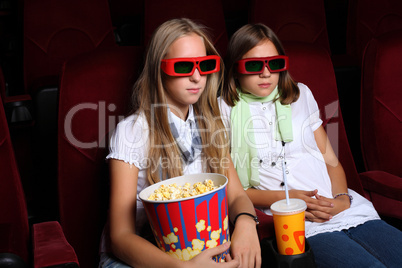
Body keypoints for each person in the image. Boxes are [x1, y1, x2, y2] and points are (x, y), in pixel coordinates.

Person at [219, 23, 402, 268]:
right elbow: (234, 189)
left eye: (274, 64)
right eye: (253, 65)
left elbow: (331, 161)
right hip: (293, 220)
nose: (265, 73)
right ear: (235, 69)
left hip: (340, 207)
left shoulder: (301, 94)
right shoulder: (223, 108)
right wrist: (290, 200)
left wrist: (341, 200)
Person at [99, 18, 261, 268]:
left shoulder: (212, 123)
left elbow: (237, 195)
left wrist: (247, 222)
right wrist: (184, 267)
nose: (197, 77)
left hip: (200, 247)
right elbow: (120, 238)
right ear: (159, 69)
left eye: (205, 65)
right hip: (143, 256)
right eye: (184, 66)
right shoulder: (132, 131)